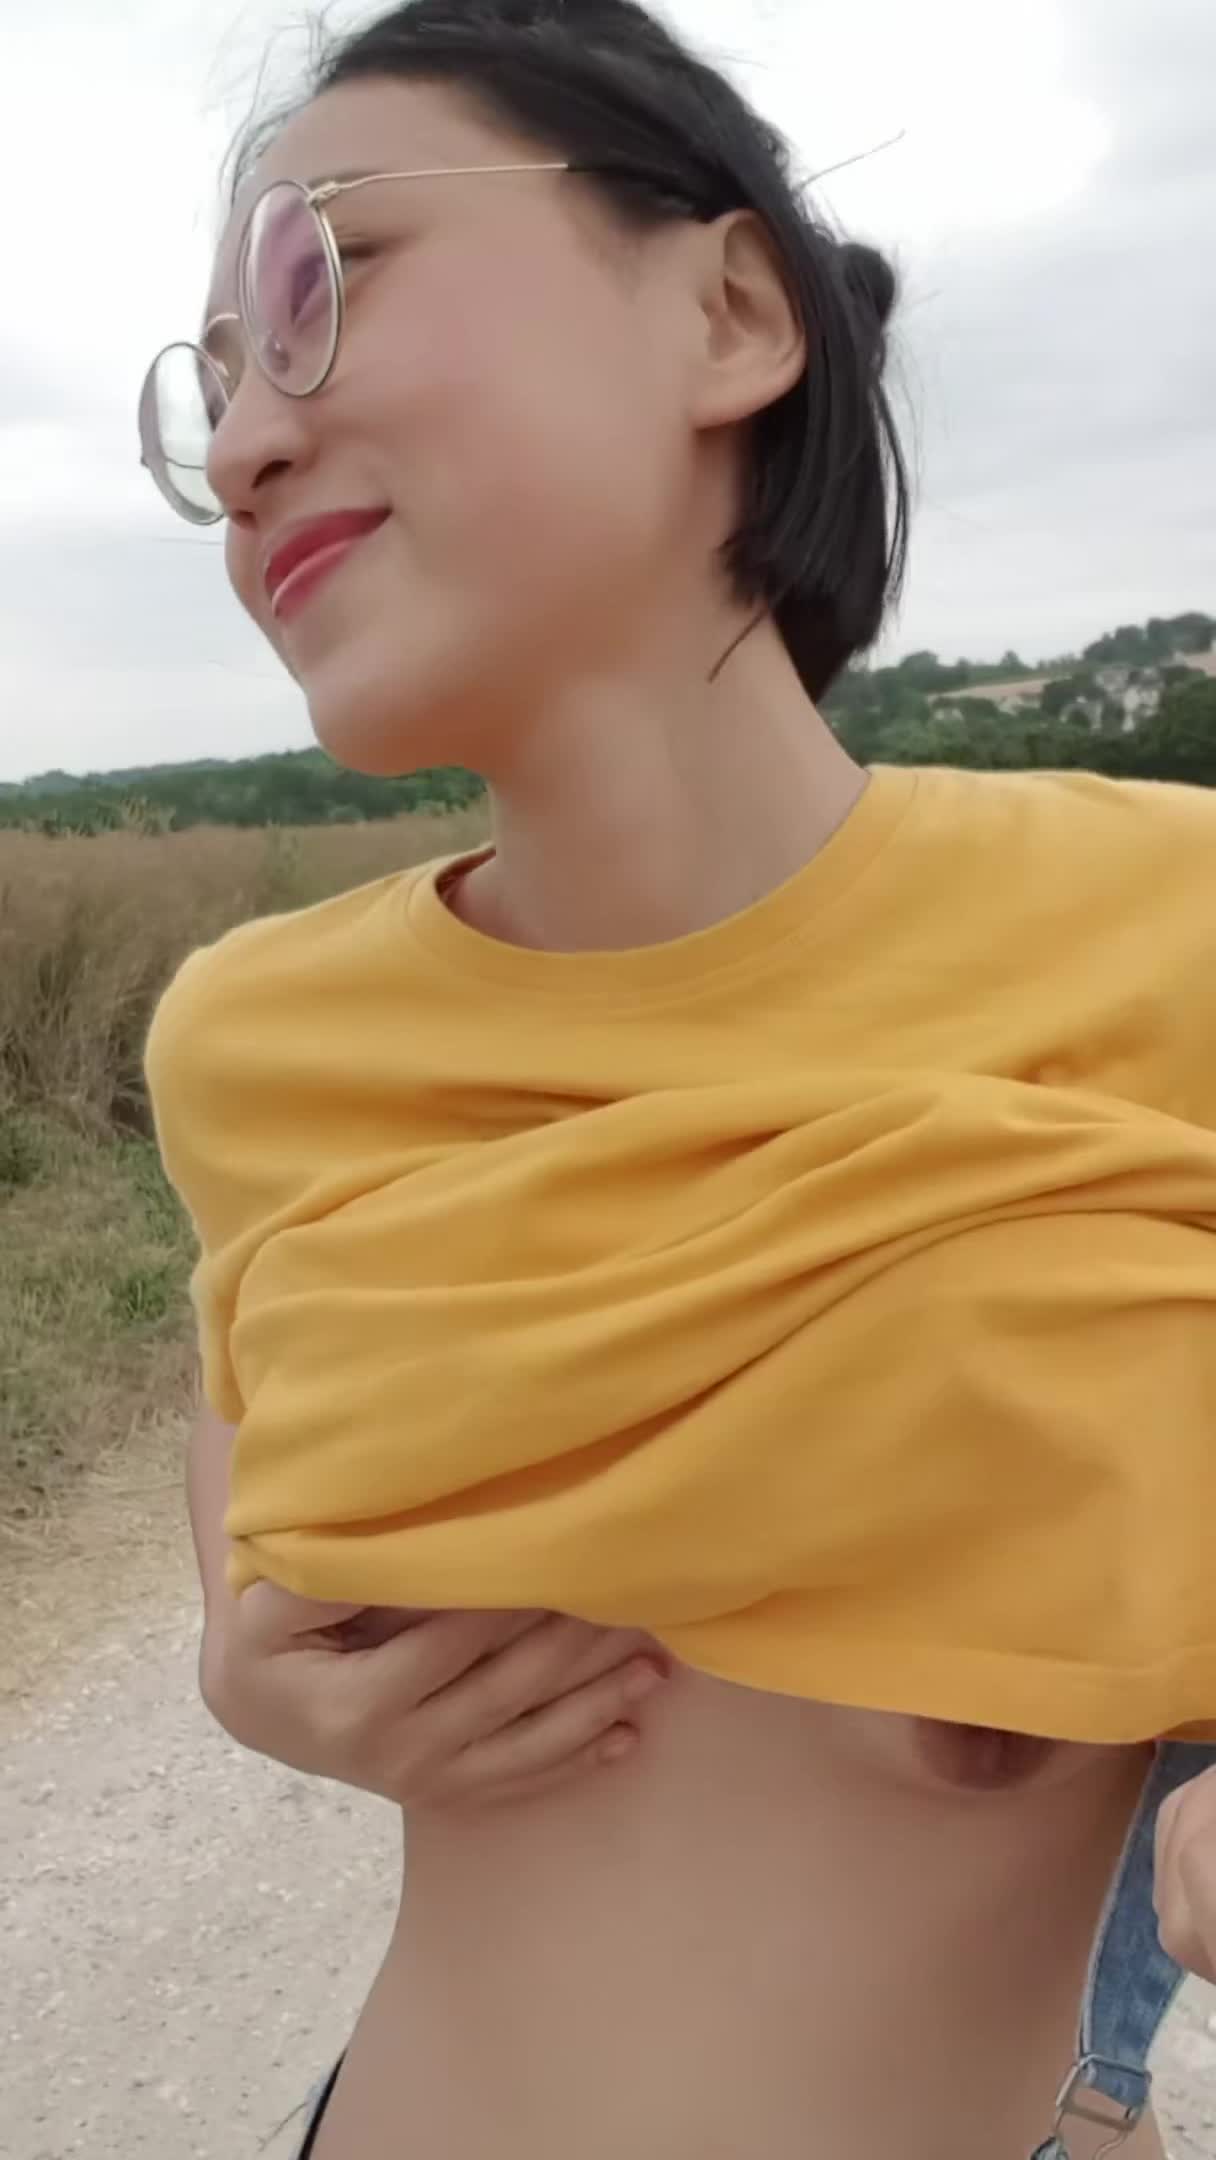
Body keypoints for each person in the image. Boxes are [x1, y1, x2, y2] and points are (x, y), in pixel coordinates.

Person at [137, 3, 1216, 2154]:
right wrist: (234, 1652)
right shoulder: (250, 1034)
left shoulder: (1170, 930)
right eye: (216, 384)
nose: (246, 443)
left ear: (726, 313)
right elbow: (243, 1376)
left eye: (320, 280)